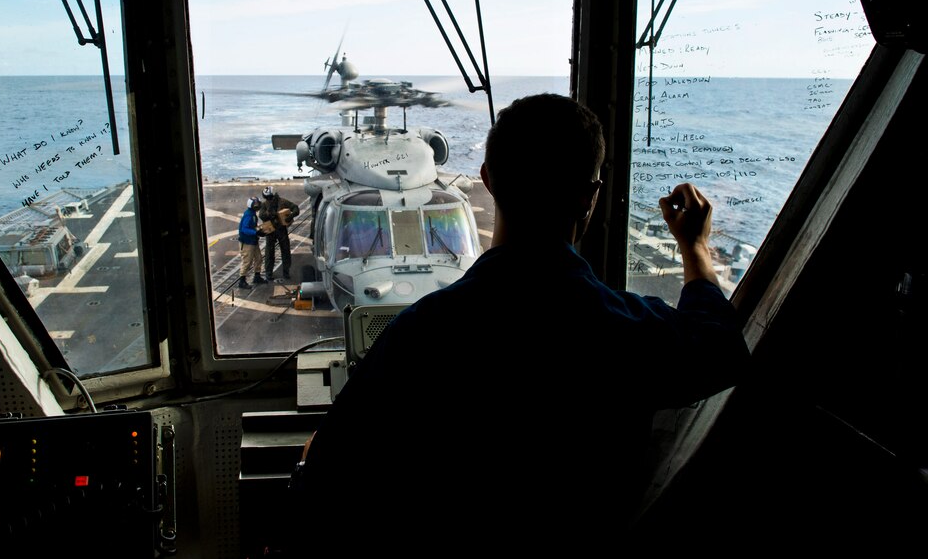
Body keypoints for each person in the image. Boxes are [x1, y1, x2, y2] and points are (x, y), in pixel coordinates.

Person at [288, 94, 750, 556]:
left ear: (488, 180)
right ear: (592, 196)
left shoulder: (422, 334)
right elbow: (721, 348)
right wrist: (695, 247)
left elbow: (324, 484)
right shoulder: (625, 331)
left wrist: (312, 455)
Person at [258, 185, 300, 282]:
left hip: (281, 229)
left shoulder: (282, 202)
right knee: (269, 253)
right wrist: (271, 214)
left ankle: (286, 272)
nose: (269, 199)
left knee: (285, 251)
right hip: (271, 230)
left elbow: (295, 208)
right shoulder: (265, 205)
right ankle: (269, 273)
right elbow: (262, 215)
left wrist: (290, 216)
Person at [237, 197, 265, 290]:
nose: (258, 206)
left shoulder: (252, 214)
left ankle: (257, 276)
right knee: (247, 261)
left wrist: (259, 230)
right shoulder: (248, 215)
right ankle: (242, 280)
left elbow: (252, 226)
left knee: (259, 258)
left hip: (253, 240)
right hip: (247, 242)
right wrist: (256, 232)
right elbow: (244, 229)